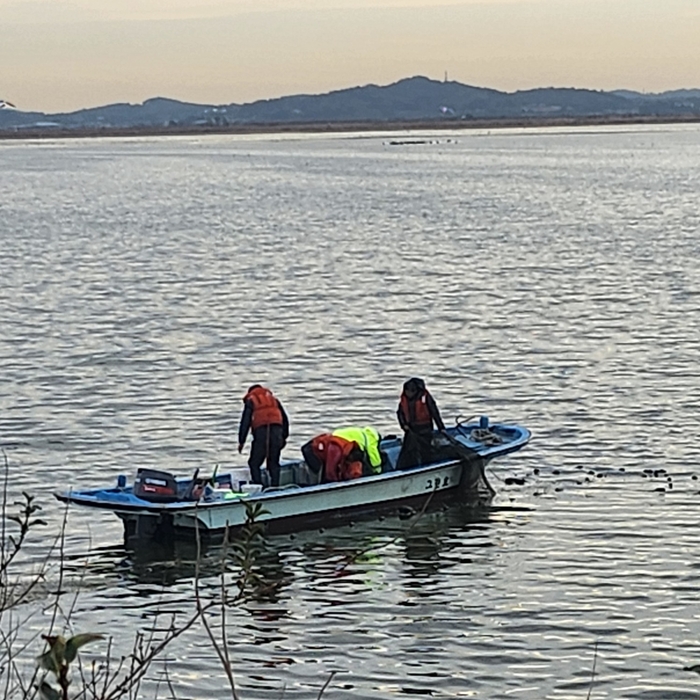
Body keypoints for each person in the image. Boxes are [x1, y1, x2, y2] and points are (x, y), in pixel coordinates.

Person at [238, 384, 289, 487]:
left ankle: (258, 487)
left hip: (261, 434)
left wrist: (241, 441)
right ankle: (275, 487)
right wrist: (284, 437)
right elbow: (285, 419)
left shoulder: (251, 400)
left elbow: (245, 421)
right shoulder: (274, 400)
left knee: (254, 463)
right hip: (277, 432)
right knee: (273, 463)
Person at [396, 377, 445, 470]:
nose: (408, 394)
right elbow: (400, 413)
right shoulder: (404, 400)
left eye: (410, 392)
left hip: (425, 428)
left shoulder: (425, 398)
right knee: (409, 451)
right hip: (411, 430)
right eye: (406, 391)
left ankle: (427, 467)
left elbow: (434, 412)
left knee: (425, 451)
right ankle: (408, 469)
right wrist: (403, 425)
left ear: (415, 391)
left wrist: (441, 427)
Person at [301, 433, 365, 482]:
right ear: (350, 456)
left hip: (326, 450)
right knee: (323, 474)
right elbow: (330, 472)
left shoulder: (352, 449)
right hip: (310, 450)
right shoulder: (337, 451)